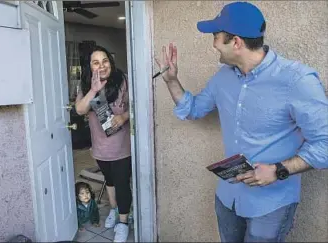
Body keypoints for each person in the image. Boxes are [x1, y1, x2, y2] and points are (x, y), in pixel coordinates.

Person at [155, 2, 328, 242]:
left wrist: (279, 170)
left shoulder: (297, 80)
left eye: (216, 37)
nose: (214, 44)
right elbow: (193, 110)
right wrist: (171, 80)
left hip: (271, 205)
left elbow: (325, 144)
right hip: (228, 198)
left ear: (235, 42)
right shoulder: (222, 78)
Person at [75, 45, 131, 242]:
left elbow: (139, 105)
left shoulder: (123, 80)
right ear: (90, 66)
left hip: (122, 146)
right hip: (100, 147)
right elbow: (80, 109)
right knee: (111, 181)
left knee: (122, 184)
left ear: (111, 62)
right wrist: (93, 90)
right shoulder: (85, 85)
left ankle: (123, 222)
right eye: (96, 62)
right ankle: (114, 211)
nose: (102, 65)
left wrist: (124, 116)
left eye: (105, 61)